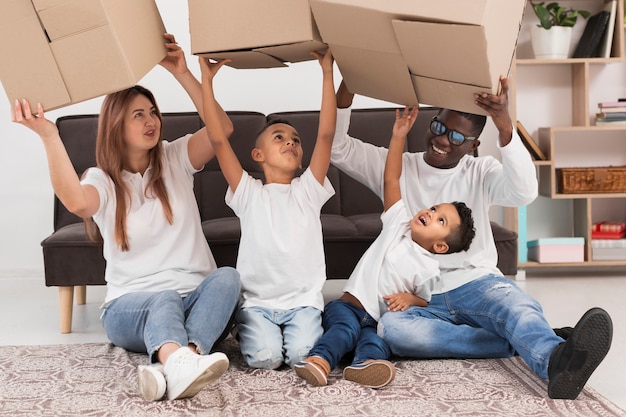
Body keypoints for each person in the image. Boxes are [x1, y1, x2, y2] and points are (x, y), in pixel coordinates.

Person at [328, 76, 613, 400]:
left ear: (473, 145)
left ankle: (554, 362)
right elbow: (337, 148)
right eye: (438, 126)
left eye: (455, 136)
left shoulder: (481, 171)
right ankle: (519, 339)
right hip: (419, 295)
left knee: (515, 306)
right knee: (392, 330)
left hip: (476, 283)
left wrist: (505, 127)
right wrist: (349, 83)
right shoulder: (397, 166)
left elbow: (525, 191)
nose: (442, 139)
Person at [11, 34, 241, 402]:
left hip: (192, 299)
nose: (151, 121)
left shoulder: (175, 158)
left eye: (153, 112)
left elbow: (222, 130)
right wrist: (49, 136)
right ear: (117, 124)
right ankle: (184, 359)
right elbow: (75, 201)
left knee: (228, 277)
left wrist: (183, 73)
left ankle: (177, 364)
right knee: (163, 296)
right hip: (129, 308)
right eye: (139, 115)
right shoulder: (101, 180)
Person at [294, 106, 476, 389]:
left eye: (440, 219)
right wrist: (398, 136)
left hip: (378, 320)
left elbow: (426, 302)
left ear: (440, 246)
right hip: (348, 307)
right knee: (343, 331)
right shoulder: (398, 224)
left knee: (376, 340)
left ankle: (365, 365)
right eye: (433, 208)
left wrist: (409, 299)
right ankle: (320, 361)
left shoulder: (429, 269)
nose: (429, 212)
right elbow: (391, 178)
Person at [198, 48, 336, 370]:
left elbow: (326, 134)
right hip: (257, 305)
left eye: (296, 140)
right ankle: (244, 325)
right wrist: (207, 82)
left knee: (303, 356)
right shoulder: (248, 193)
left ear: (302, 158)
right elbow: (218, 142)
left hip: (302, 304)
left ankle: (294, 332)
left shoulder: (308, 191)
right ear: (258, 155)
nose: (290, 142)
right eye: (279, 137)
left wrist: (327, 73)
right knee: (266, 358)